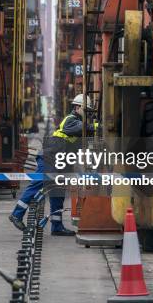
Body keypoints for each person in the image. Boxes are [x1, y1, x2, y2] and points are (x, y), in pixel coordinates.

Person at [9, 94, 96, 236]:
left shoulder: (79, 123)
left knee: (58, 192)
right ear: (77, 107)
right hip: (49, 158)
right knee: (38, 182)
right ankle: (16, 214)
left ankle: (57, 226)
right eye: (87, 111)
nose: (88, 115)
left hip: (59, 161)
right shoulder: (72, 120)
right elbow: (82, 128)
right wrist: (100, 125)